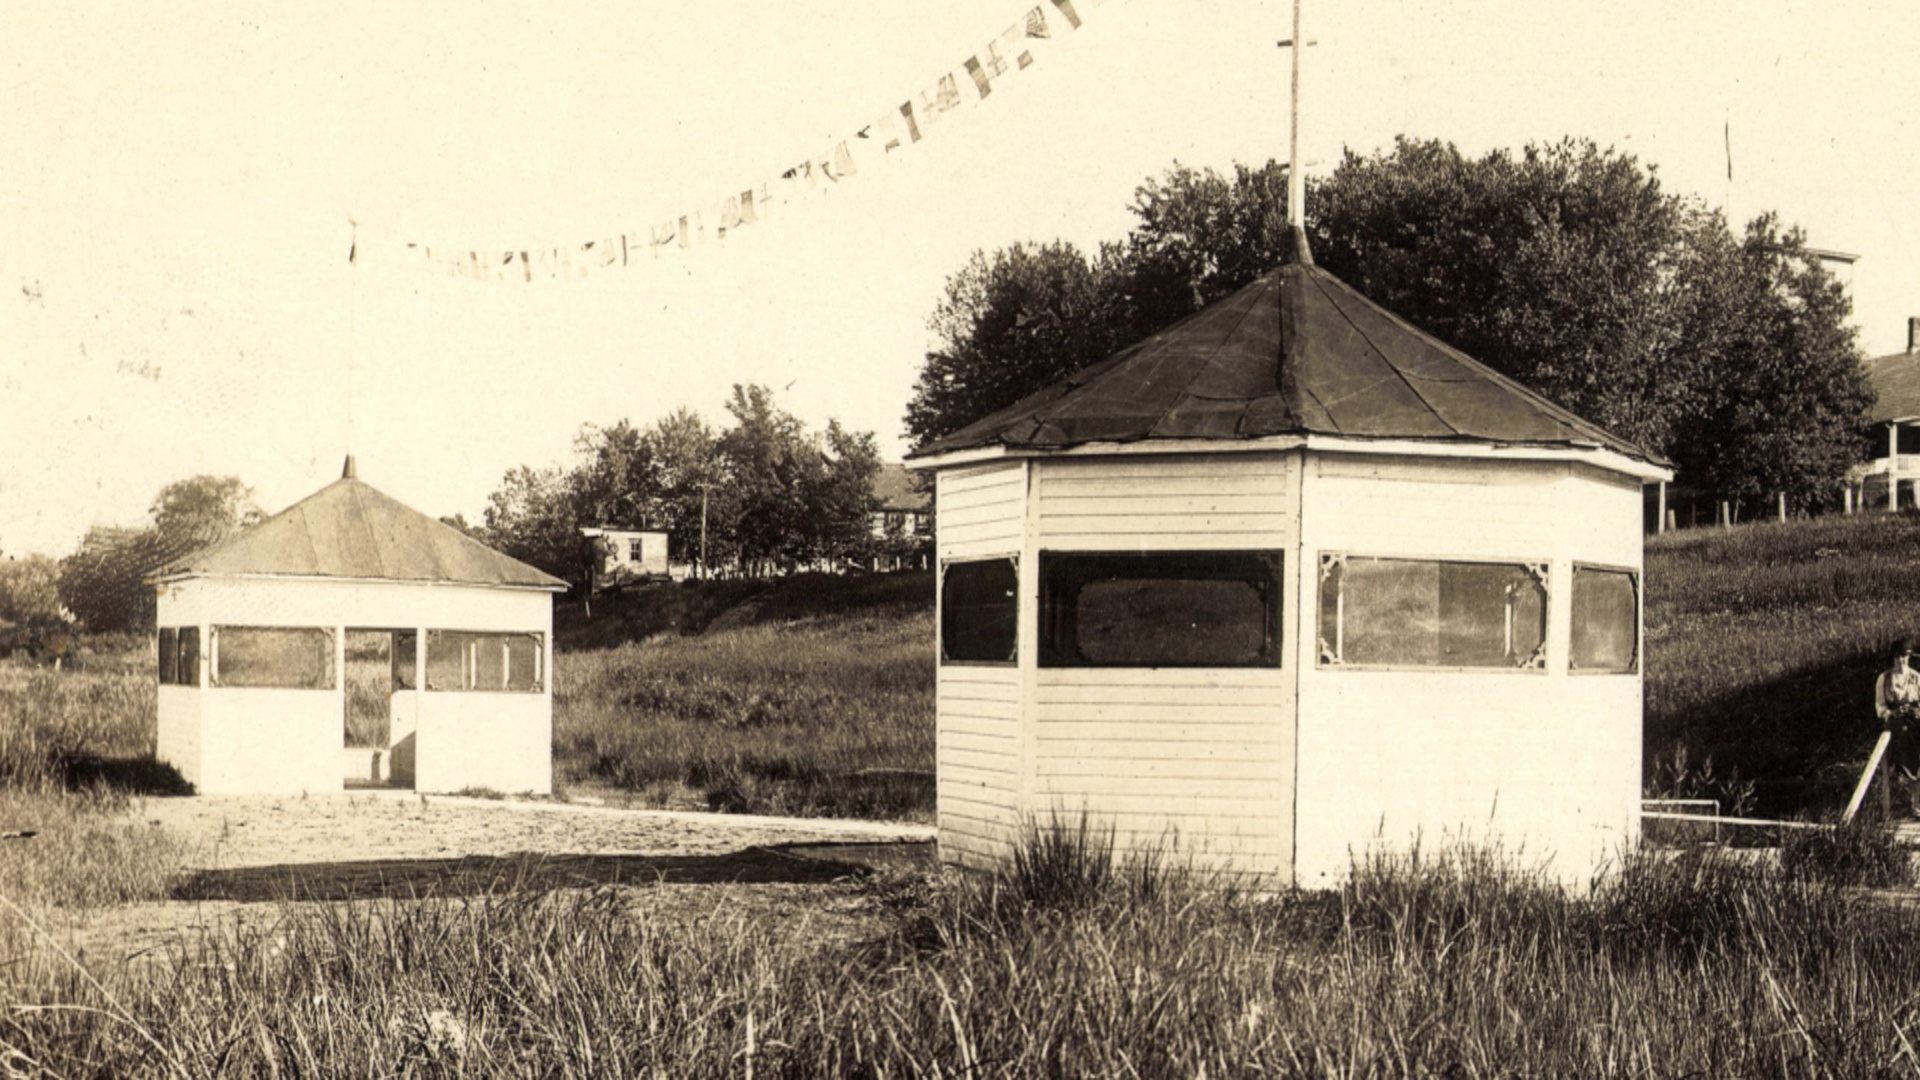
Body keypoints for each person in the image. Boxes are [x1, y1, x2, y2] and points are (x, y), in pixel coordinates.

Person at [1875, 639, 1920, 814]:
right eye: (1897, 657)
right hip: (1896, 723)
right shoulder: (1884, 679)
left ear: (1909, 658)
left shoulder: (1917, 677)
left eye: (1904, 657)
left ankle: (1917, 802)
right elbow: (1880, 707)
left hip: (1915, 721)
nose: (1901, 661)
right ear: (1892, 659)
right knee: (1904, 735)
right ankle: (1916, 803)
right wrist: (1890, 713)